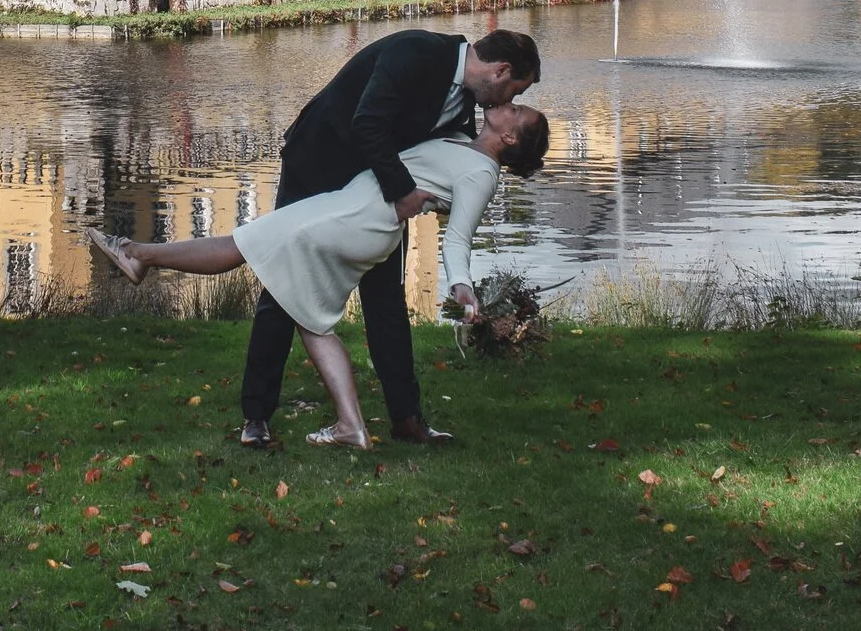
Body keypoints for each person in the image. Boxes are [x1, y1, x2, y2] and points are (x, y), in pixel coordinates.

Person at [87, 101, 550, 448]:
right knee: (306, 312)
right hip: (355, 210)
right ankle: (351, 425)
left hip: (357, 219)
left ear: (510, 138)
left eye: (516, 112)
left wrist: (461, 285)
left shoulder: (481, 174)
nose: (508, 105)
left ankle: (139, 254)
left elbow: (459, 238)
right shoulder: (462, 142)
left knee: (245, 243)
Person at [243, 26, 540, 448]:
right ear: (501, 71)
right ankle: (256, 416)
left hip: (374, 194)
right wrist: (404, 192)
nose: (507, 101)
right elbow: (367, 122)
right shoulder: (416, 51)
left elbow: (443, 156)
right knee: (280, 285)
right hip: (318, 164)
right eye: (515, 91)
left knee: (386, 299)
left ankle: (407, 419)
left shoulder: (465, 102)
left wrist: (442, 199)